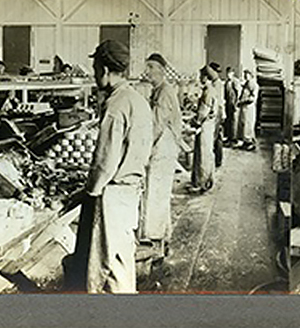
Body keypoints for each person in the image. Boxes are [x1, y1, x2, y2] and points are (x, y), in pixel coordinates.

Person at [75, 40, 153, 294]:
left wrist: (90, 191)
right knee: (123, 258)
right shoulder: (138, 100)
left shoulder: (115, 105)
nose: (94, 72)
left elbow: (105, 161)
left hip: (114, 194)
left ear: (105, 69)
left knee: (108, 267)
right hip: (131, 190)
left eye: (95, 66)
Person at [139, 53, 184, 254]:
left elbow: (157, 125)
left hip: (163, 148)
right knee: (159, 194)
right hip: (162, 147)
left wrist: (144, 151)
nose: (146, 71)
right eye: (146, 66)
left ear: (162, 70)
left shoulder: (165, 92)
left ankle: (155, 242)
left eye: (150, 67)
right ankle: (163, 237)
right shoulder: (158, 91)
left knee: (156, 194)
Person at [190, 65, 219, 193]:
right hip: (209, 125)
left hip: (205, 126)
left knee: (203, 155)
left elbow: (203, 112)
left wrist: (195, 122)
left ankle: (202, 184)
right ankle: (206, 181)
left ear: (206, 77)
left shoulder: (208, 91)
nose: (199, 78)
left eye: (201, 75)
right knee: (207, 153)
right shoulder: (211, 90)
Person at [209, 62, 225, 167]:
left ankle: (217, 161)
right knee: (217, 137)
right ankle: (217, 160)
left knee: (216, 137)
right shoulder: (215, 83)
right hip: (218, 111)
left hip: (218, 111)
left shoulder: (217, 84)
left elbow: (218, 101)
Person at [237, 69, 258, 151]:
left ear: (251, 75)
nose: (245, 75)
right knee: (243, 124)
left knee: (248, 124)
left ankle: (250, 143)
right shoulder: (247, 83)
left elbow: (252, 98)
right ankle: (245, 142)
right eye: (244, 74)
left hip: (249, 107)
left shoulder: (253, 84)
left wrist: (242, 101)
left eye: (247, 74)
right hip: (244, 107)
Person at [224, 67, 242, 146]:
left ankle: (234, 139)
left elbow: (238, 93)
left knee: (234, 121)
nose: (228, 75)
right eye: (227, 73)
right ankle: (229, 137)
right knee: (228, 121)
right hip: (228, 104)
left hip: (234, 104)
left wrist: (236, 103)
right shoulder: (227, 82)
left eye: (230, 73)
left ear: (233, 73)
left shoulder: (235, 81)